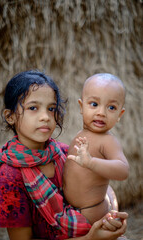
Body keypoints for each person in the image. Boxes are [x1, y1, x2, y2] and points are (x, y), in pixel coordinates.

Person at [0, 70, 128, 240]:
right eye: (33, 108)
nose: (45, 117)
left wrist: (111, 215)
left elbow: (104, 188)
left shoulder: (65, 152)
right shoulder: (10, 178)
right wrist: (90, 238)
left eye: (51, 108)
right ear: (10, 116)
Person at [63, 73, 129, 228]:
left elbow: (123, 170)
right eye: (94, 104)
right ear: (81, 106)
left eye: (111, 107)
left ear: (120, 115)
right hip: (70, 210)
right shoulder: (81, 134)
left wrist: (91, 163)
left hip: (91, 214)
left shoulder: (108, 141)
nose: (101, 112)